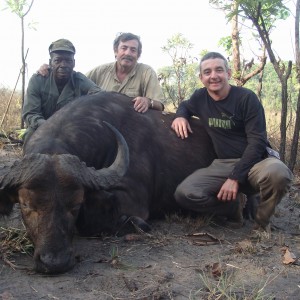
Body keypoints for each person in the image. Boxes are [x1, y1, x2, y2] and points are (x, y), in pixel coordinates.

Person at [171, 52, 293, 230]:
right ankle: (232, 208)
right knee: (184, 193)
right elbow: (184, 105)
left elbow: (257, 142)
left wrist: (234, 178)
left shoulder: (246, 98)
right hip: (223, 163)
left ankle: (261, 223)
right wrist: (180, 116)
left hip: (256, 162)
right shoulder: (200, 97)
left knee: (278, 173)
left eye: (219, 70)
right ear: (201, 78)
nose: (213, 76)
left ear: (228, 74)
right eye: (207, 72)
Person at [22, 39, 101, 144]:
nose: (63, 65)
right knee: (30, 135)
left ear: (74, 63)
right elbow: (30, 114)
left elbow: (100, 95)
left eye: (68, 61)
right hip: (42, 128)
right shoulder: (38, 80)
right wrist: (49, 126)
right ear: (50, 63)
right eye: (58, 60)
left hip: (72, 130)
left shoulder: (79, 79)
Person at [85, 32, 165, 113]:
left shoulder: (147, 72)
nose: (128, 53)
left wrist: (147, 101)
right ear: (116, 51)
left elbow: (160, 104)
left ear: (138, 55)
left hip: (133, 122)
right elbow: (76, 84)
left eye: (133, 50)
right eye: (124, 48)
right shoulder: (99, 71)